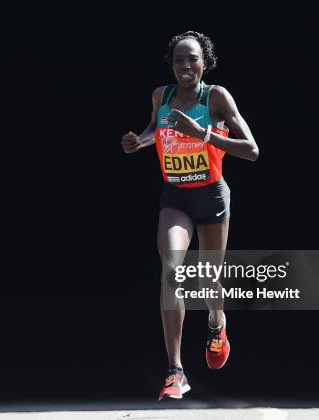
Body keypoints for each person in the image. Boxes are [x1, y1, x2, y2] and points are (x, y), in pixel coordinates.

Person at [121, 31, 259, 400]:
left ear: (205, 62)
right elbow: (157, 128)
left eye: (193, 59)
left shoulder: (216, 97)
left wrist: (205, 134)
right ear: (172, 64)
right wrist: (141, 140)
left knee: (210, 282)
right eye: (179, 60)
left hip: (212, 196)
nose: (186, 66)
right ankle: (175, 370)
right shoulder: (160, 96)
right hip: (176, 197)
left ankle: (217, 324)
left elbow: (252, 149)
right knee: (172, 269)